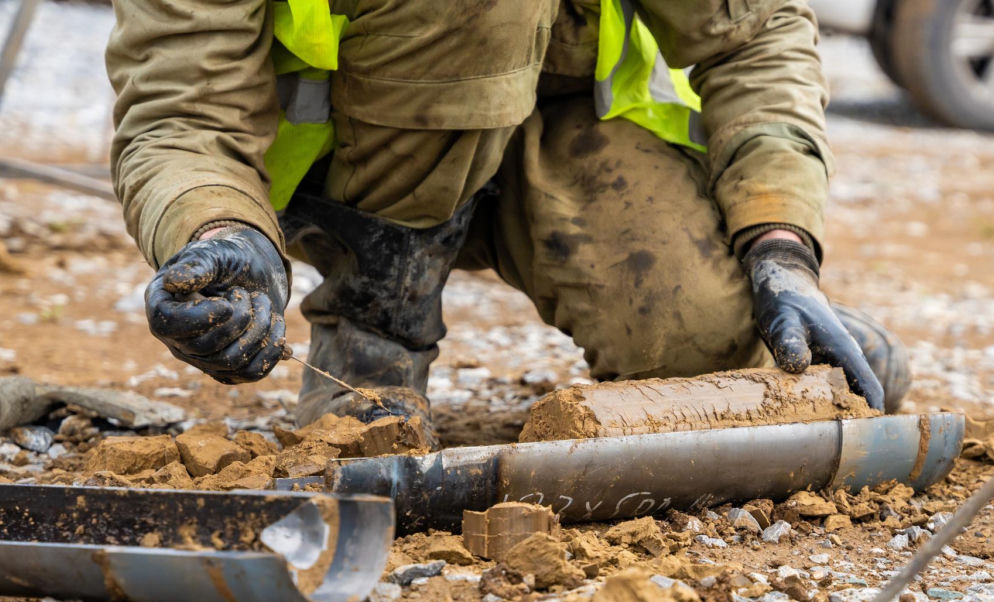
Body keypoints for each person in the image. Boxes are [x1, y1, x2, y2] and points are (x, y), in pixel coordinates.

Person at [105, 0, 909, 446]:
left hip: (558, 150)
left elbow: (757, 37)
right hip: (361, 176)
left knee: (698, 344)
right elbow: (180, 111)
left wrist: (780, 247)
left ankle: (781, 337)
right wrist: (219, 231)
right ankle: (371, 340)